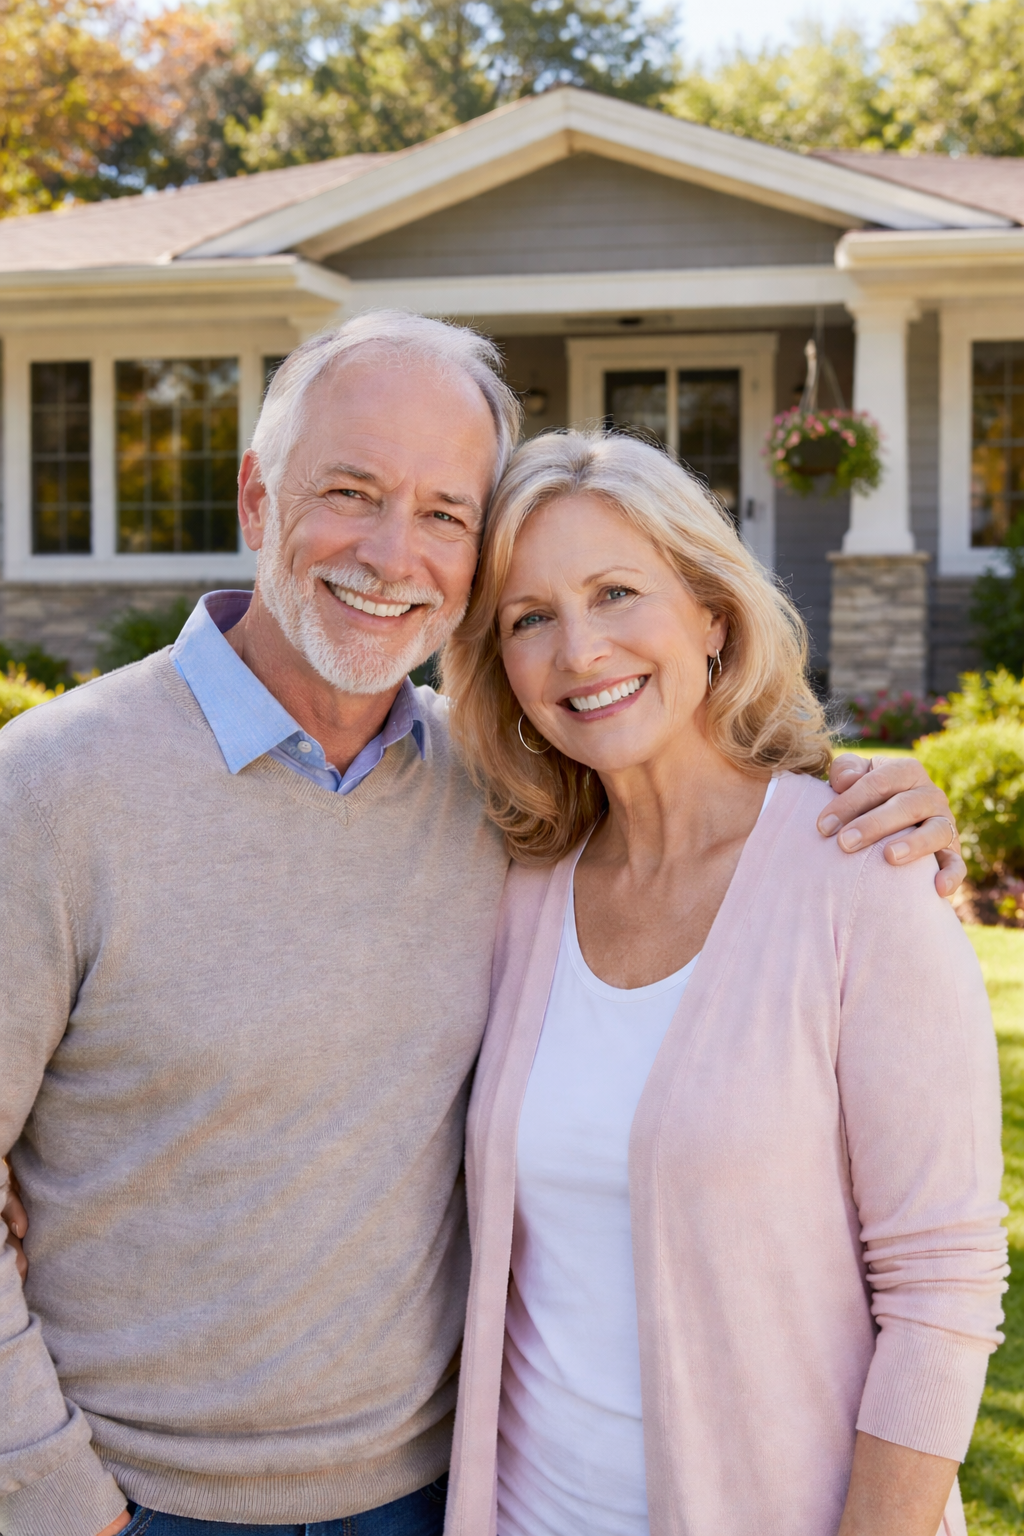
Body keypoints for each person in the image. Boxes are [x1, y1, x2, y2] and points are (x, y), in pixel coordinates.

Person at [0, 313, 967, 1536]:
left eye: (446, 514)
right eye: (349, 491)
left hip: (426, 1500)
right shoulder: (48, 792)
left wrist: (886, 805)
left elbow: (936, 1276)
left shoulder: (496, 808)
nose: (393, 554)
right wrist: (55, 1503)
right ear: (256, 499)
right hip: (138, 1503)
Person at [440, 429, 1008, 1536]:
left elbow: (942, 1289)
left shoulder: (859, 875)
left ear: (711, 613)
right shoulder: (516, 888)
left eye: (616, 592)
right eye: (529, 618)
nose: (579, 651)